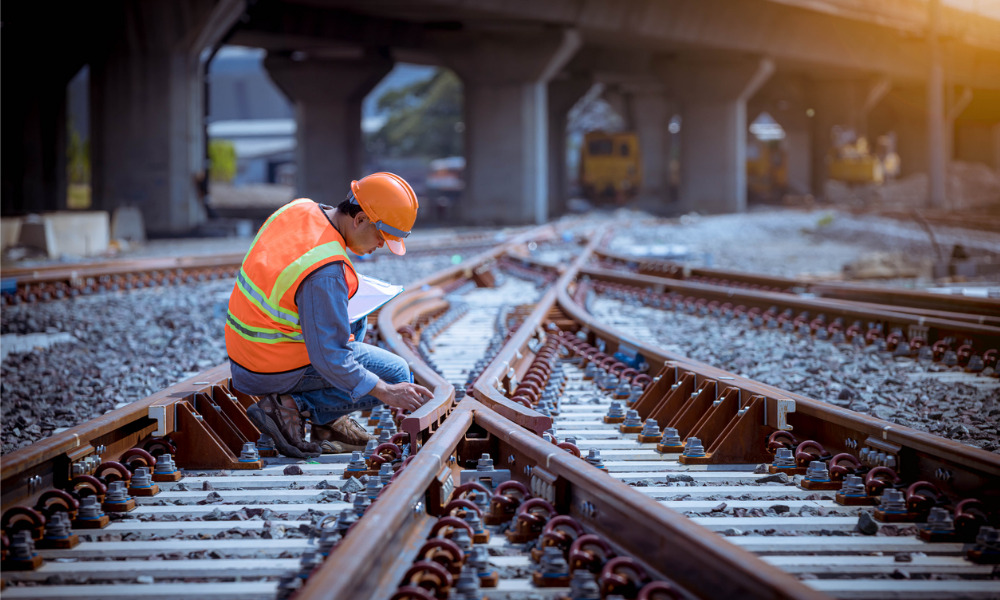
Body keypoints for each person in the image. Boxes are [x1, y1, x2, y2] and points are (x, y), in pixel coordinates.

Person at [225, 172, 434, 458]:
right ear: (359, 219)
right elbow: (330, 358)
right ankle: (291, 406)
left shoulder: (300, 208)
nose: (381, 246)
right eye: (381, 236)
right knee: (396, 373)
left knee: (354, 313)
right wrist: (385, 390)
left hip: (248, 350)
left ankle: (326, 423)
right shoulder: (325, 272)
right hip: (269, 366)